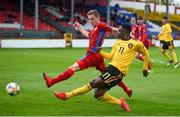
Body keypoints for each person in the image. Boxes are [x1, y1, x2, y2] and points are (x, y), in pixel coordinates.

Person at [54, 24, 150, 112]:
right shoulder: (118, 42)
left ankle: (66, 96)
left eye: (120, 31)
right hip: (111, 68)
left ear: (126, 31)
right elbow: (110, 57)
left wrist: (145, 68)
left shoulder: (136, 43)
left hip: (118, 72)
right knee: (98, 95)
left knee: (95, 82)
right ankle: (120, 102)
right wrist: (100, 51)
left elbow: (146, 53)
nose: (118, 32)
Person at [43, 10, 132, 97]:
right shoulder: (95, 29)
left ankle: (52, 82)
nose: (91, 21)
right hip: (98, 57)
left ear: (98, 18)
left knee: (72, 68)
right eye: (89, 19)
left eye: (92, 19)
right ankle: (127, 89)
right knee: (109, 74)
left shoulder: (101, 25)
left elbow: (114, 29)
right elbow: (88, 34)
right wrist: (80, 27)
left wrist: (128, 34)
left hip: (92, 55)